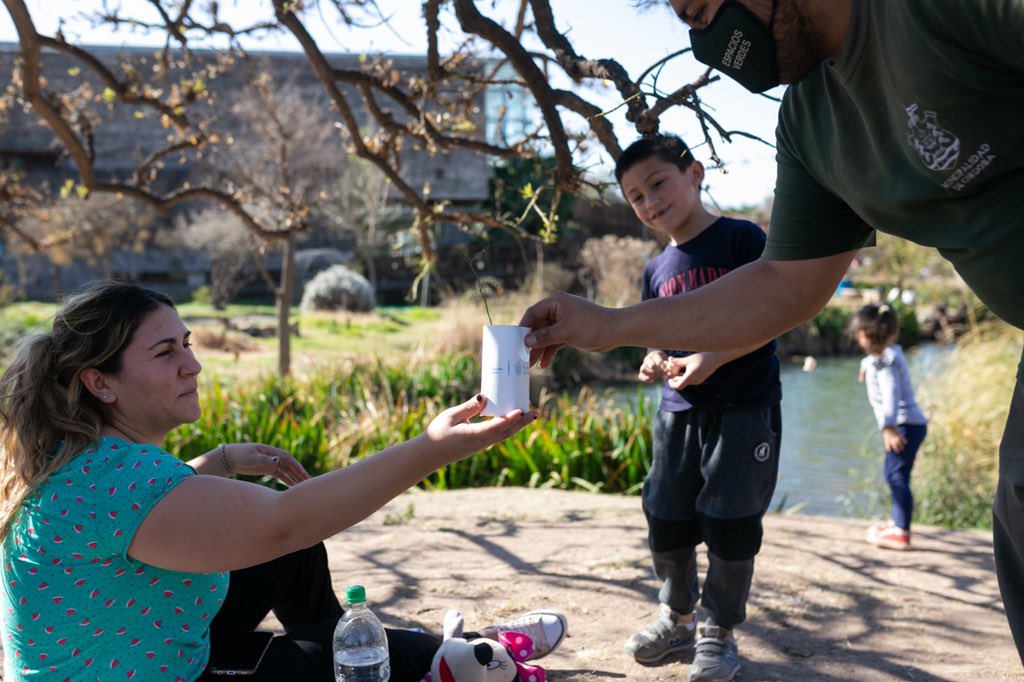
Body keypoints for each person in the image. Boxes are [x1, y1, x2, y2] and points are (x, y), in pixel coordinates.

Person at [520, 0, 1024, 667]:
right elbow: (784, 284)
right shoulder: (811, 122)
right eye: (689, 26)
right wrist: (608, 326)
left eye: (702, 11)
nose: (707, 43)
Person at [0, 280, 568, 681]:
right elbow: (284, 522)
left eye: (188, 343)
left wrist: (219, 460)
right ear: (101, 384)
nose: (192, 365)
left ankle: (336, 648)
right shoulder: (118, 477)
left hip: (138, 652)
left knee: (288, 563)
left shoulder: (81, 460)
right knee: (409, 658)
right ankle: (462, 652)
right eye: (165, 352)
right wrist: (431, 449)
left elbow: (145, 522)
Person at [614, 135, 781, 682]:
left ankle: (718, 630)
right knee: (665, 515)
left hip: (743, 409)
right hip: (676, 413)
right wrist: (654, 356)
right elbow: (657, 335)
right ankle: (677, 615)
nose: (650, 201)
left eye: (658, 183)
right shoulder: (655, 269)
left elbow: (774, 316)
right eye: (636, 197)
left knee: (731, 523)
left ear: (695, 174)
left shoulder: (741, 239)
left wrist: (714, 356)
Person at [850, 303, 928, 551]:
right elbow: (877, 364)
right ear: (892, 332)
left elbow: (891, 392)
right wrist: (865, 365)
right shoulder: (886, 356)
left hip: (902, 425)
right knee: (895, 473)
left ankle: (901, 531)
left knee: (895, 475)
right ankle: (896, 523)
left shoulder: (885, 362)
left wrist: (889, 427)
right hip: (910, 424)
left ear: (862, 335)